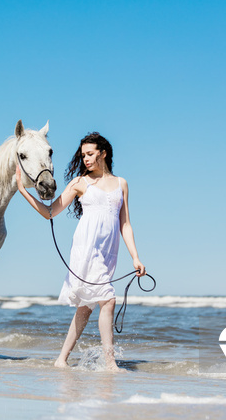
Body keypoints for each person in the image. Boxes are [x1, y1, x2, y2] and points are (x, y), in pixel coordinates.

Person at [16, 132, 146, 370]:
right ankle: (110, 363)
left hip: (109, 253)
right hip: (85, 249)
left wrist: (136, 257)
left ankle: (61, 360)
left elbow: (125, 224)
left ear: (103, 153)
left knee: (85, 308)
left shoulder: (121, 184)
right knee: (107, 300)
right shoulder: (79, 183)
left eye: (90, 154)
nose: (85, 159)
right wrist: (24, 192)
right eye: (83, 155)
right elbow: (50, 212)